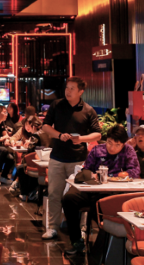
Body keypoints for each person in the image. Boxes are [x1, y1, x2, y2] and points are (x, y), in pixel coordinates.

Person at [62, 125, 140, 256]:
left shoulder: (128, 150)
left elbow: (135, 171)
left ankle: (102, 246)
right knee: (68, 199)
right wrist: (91, 175)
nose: (112, 147)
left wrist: (117, 176)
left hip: (114, 193)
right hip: (92, 188)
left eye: (117, 144)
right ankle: (76, 241)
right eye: (109, 142)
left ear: (123, 144)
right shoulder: (97, 150)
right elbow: (86, 169)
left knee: (99, 205)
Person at [40, 76, 101, 240]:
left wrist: (80, 139)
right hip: (57, 158)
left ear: (81, 91)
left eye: (72, 88)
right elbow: (45, 126)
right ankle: (52, 227)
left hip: (78, 160)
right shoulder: (57, 105)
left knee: (76, 196)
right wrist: (59, 135)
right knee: (54, 194)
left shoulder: (88, 110)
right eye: (67, 88)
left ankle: (79, 228)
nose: (68, 91)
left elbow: (98, 134)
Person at [8, 111, 52, 200]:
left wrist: (27, 145)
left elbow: (30, 150)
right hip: (48, 162)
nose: (27, 127)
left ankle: (24, 193)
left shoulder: (36, 135)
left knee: (21, 167)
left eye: (29, 125)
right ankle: (23, 187)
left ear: (33, 126)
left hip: (37, 163)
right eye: (26, 125)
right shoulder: (48, 132)